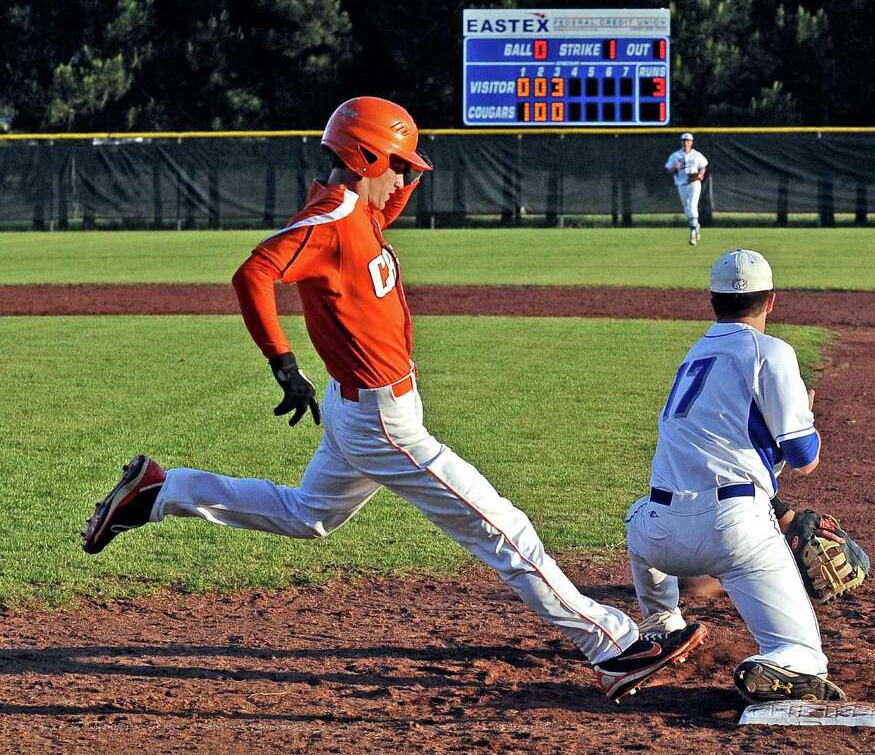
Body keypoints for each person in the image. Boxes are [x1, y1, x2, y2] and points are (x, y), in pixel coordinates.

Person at [81, 95, 706, 702]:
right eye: (400, 166)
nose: (408, 178)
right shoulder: (329, 220)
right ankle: (612, 644)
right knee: (501, 526)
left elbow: (378, 209)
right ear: (366, 159)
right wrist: (283, 364)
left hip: (369, 409)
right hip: (381, 421)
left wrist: (401, 163)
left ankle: (165, 491)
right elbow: (253, 274)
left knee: (309, 516)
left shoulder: (359, 213)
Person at [622, 248, 847, 704]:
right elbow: (804, 457)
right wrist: (803, 409)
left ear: (712, 300)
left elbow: (714, 446)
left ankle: (663, 623)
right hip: (733, 534)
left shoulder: (694, 354)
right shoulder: (771, 352)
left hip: (658, 538)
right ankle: (770, 663)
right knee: (804, 653)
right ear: (772, 301)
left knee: (637, 514)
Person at [664, 132, 708, 246]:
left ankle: (693, 232)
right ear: (681, 142)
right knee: (686, 207)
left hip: (694, 183)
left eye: (688, 140)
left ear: (692, 142)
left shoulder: (697, 155)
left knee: (692, 205)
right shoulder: (675, 156)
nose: (686, 143)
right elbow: (668, 169)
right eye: (684, 140)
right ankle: (695, 225)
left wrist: (701, 174)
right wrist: (675, 167)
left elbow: (703, 165)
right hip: (681, 184)